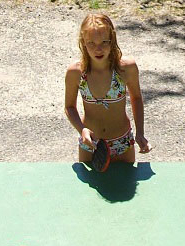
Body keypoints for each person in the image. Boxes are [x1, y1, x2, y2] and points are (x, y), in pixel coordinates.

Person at [64, 13, 151, 165]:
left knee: (125, 183)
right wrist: (82, 130)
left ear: (113, 40)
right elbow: (69, 107)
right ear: (83, 42)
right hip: (91, 144)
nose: (98, 49)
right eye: (91, 43)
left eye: (104, 42)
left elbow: (136, 98)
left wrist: (140, 133)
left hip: (122, 142)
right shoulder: (75, 73)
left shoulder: (126, 68)